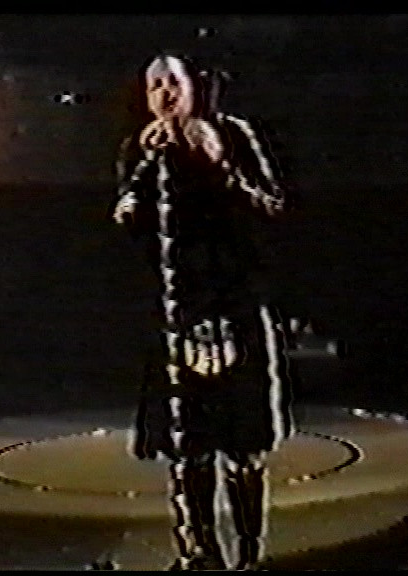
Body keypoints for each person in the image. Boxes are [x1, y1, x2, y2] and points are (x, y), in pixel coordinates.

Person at [109, 53, 299, 570]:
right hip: (176, 322)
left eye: (173, 82)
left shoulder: (233, 135)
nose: (165, 94)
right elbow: (132, 239)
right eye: (154, 85)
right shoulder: (140, 149)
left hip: (237, 312)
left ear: (195, 86)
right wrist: (134, 199)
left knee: (243, 445)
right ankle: (198, 553)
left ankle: (250, 555)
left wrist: (220, 167)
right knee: (186, 446)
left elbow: (273, 209)